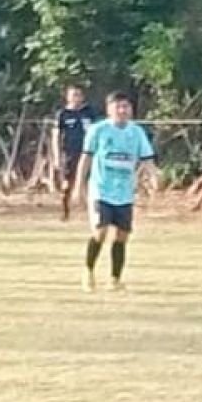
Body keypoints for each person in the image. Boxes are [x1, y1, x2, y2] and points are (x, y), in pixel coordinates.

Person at [74, 92, 157, 292]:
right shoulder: (98, 130)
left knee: (122, 235)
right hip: (101, 189)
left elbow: (147, 159)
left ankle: (115, 279)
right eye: (118, 107)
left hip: (124, 192)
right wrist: (79, 186)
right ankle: (88, 271)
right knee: (100, 231)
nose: (122, 111)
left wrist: (153, 177)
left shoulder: (136, 132)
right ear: (109, 109)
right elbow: (86, 158)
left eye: (125, 106)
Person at [52, 85, 97, 221]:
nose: (76, 98)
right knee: (68, 182)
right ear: (67, 97)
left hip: (89, 153)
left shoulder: (89, 112)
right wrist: (57, 156)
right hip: (70, 153)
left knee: (92, 181)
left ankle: (93, 211)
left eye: (78, 95)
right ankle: (65, 211)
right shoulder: (62, 114)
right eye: (73, 95)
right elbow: (56, 135)